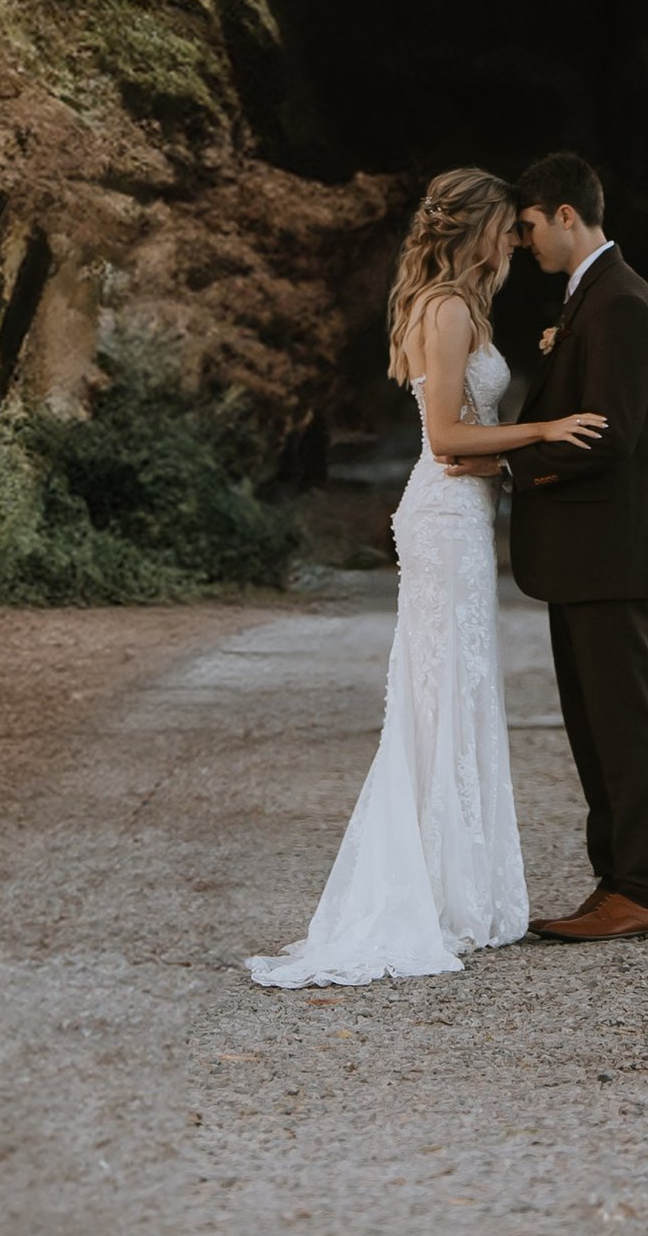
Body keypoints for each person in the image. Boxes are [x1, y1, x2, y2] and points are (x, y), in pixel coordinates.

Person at [246, 166, 605, 986]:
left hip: (461, 515)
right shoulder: (444, 309)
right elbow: (446, 437)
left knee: (460, 685)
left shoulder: (459, 307)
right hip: (444, 517)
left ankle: (460, 886)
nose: (518, 240)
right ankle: (433, 893)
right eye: (506, 228)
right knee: (442, 688)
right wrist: (542, 427)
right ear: (476, 229)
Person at [503, 150, 648, 941]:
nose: (525, 241)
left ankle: (641, 886)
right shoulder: (596, 299)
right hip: (588, 555)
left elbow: (608, 437)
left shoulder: (618, 303)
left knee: (621, 721)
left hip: (613, 552)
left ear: (567, 215)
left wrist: (508, 459)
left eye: (530, 225)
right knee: (593, 723)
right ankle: (615, 878)